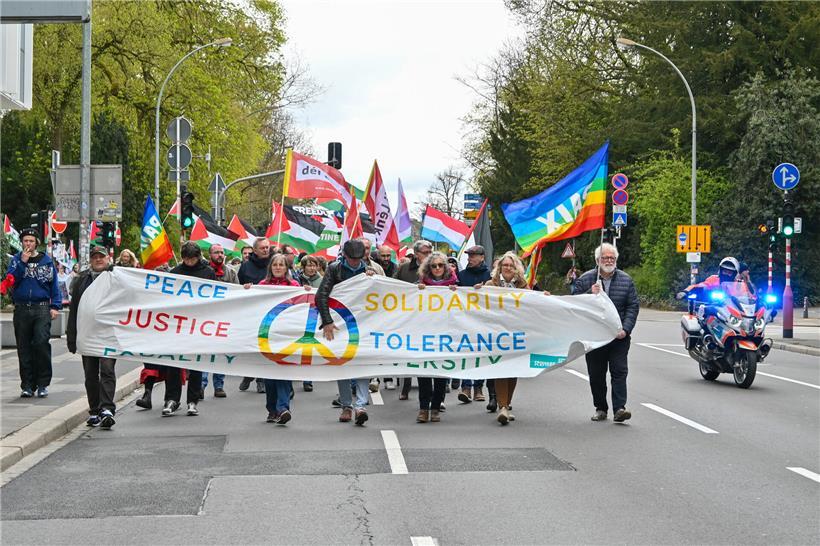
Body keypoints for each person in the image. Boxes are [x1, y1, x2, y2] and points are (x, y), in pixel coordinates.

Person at [475, 251, 550, 424]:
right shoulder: (490, 284)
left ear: (516, 268)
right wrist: (477, 292)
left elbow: (532, 304)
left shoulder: (523, 285)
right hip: (497, 334)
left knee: (513, 370)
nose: (508, 268)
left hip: (517, 334)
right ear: (499, 267)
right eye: (505, 265)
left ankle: (506, 405)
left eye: (511, 265)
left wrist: (543, 297)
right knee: (501, 368)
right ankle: (502, 407)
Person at [572, 243, 639, 423]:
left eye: (612, 258)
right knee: (596, 374)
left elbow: (633, 306)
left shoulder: (626, 280)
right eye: (605, 258)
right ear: (597, 260)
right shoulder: (586, 279)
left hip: (619, 338)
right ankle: (601, 408)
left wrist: (626, 329)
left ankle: (620, 408)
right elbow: (574, 304)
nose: (609, 261)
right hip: (595, 338)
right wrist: (589, 293)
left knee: (619, 371)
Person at [317, 239, 376, 426]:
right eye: (351, 259)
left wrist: (372, 279)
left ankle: (361, 406)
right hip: (340, 323)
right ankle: (346, 405)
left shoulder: (370, 270)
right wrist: (327, 321)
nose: (354, 262)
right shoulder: (334, 269)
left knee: (363, 363)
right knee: (342, 363)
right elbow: (322, 295)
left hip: (365, 323)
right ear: (345, 256)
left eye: (358, 259)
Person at [244, 254, 305, 424]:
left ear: (286, 268)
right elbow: (252, 305)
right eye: (275, 265)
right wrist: (248, 290)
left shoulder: (294, 286)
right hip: (267, 334)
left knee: (284, 371)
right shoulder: (262, 286)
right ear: (270, 267)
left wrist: (306, 292)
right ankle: (272, 409)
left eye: (281, 265)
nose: (278, 267)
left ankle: (283, 408)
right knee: (270, 374)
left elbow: (300, 306)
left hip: (286, 334)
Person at [5, 228, 61, 398]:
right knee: (24, 347)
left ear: (36, 242)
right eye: (25, 241)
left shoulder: (46, 261)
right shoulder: (16, 260)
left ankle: (43, 383)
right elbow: (11, 280)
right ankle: (27, 385)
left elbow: (54, 285)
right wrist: (23, 262)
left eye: (31, 241)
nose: (28, 244)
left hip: (42, 308)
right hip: (22, 308)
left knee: (41, 343)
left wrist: (55, 306)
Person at [66, 245, 118, 428]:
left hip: (108, 334)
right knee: (90, 374)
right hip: (87, 335)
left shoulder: (116, 279)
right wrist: (71, 336)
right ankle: (94, 410)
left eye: (101, 257)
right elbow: (74, 310)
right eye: (95, 257)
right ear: (90, 259)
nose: (98, 260)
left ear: (108, 259)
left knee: (107, 369)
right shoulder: (82, 280)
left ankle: (107, 408)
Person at [165, 242, 216, 417]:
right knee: (173, 363)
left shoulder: (208, 273)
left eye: (192, 259)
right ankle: (172, 399)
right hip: (178, 324)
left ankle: (192, 400)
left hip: (198, 324)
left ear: (198, 257)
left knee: (195, 364)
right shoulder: (176, 273)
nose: (189, 262)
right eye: (186, 259)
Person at [415, 252, 459, 423]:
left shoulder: (455, 284)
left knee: (441, 375)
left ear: (446, 267)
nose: (438, 268)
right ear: (428, 268)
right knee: (424, 374)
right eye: (434, 266)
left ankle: (435, 408)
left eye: (441, 265)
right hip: (425, 335)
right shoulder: (419, 285)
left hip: (445, 335)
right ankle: (423, 408)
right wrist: (417, 291)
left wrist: (459, 291)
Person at [200, 243, 238, 399]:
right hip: (206, 318)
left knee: (221, 352)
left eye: (222, 252)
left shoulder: (231, 272)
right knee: (204, 352)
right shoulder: (203, 272)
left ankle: (219, 385)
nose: (220, 255)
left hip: (224, 317)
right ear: (210, 255)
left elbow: (237, 292)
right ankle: (201, 385)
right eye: (216, 252)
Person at [456, 245, 492, 403]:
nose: (470, 258)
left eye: (473, 255)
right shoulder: (462, 275)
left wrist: (485, 289)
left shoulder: (490, 275)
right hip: (465, 320)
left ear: (482, 257)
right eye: (469, 255)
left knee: (481, 353)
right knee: (466, 353)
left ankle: (478, 387)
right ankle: (466, 387)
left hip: (484, 320)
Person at [238, 237, 272, 393]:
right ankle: (248, 374)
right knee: (251, 346)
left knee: (264, 346)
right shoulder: (245, 267)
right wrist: (244, 288)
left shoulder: (275, 264)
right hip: (251, 313)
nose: (266, 250)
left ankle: (261, 379)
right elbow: (236, 289)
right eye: (263, 248)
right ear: (255, 250)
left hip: (270, 313)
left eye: (267, 247)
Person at [298, 255, 323, 392]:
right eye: (309, 265)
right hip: (298, 316)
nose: (312, 268)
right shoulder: (297, 279)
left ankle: (307, 379)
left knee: (308, 347)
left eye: (314, 265)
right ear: (303, 267)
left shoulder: (322, 280)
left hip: (313, 316)